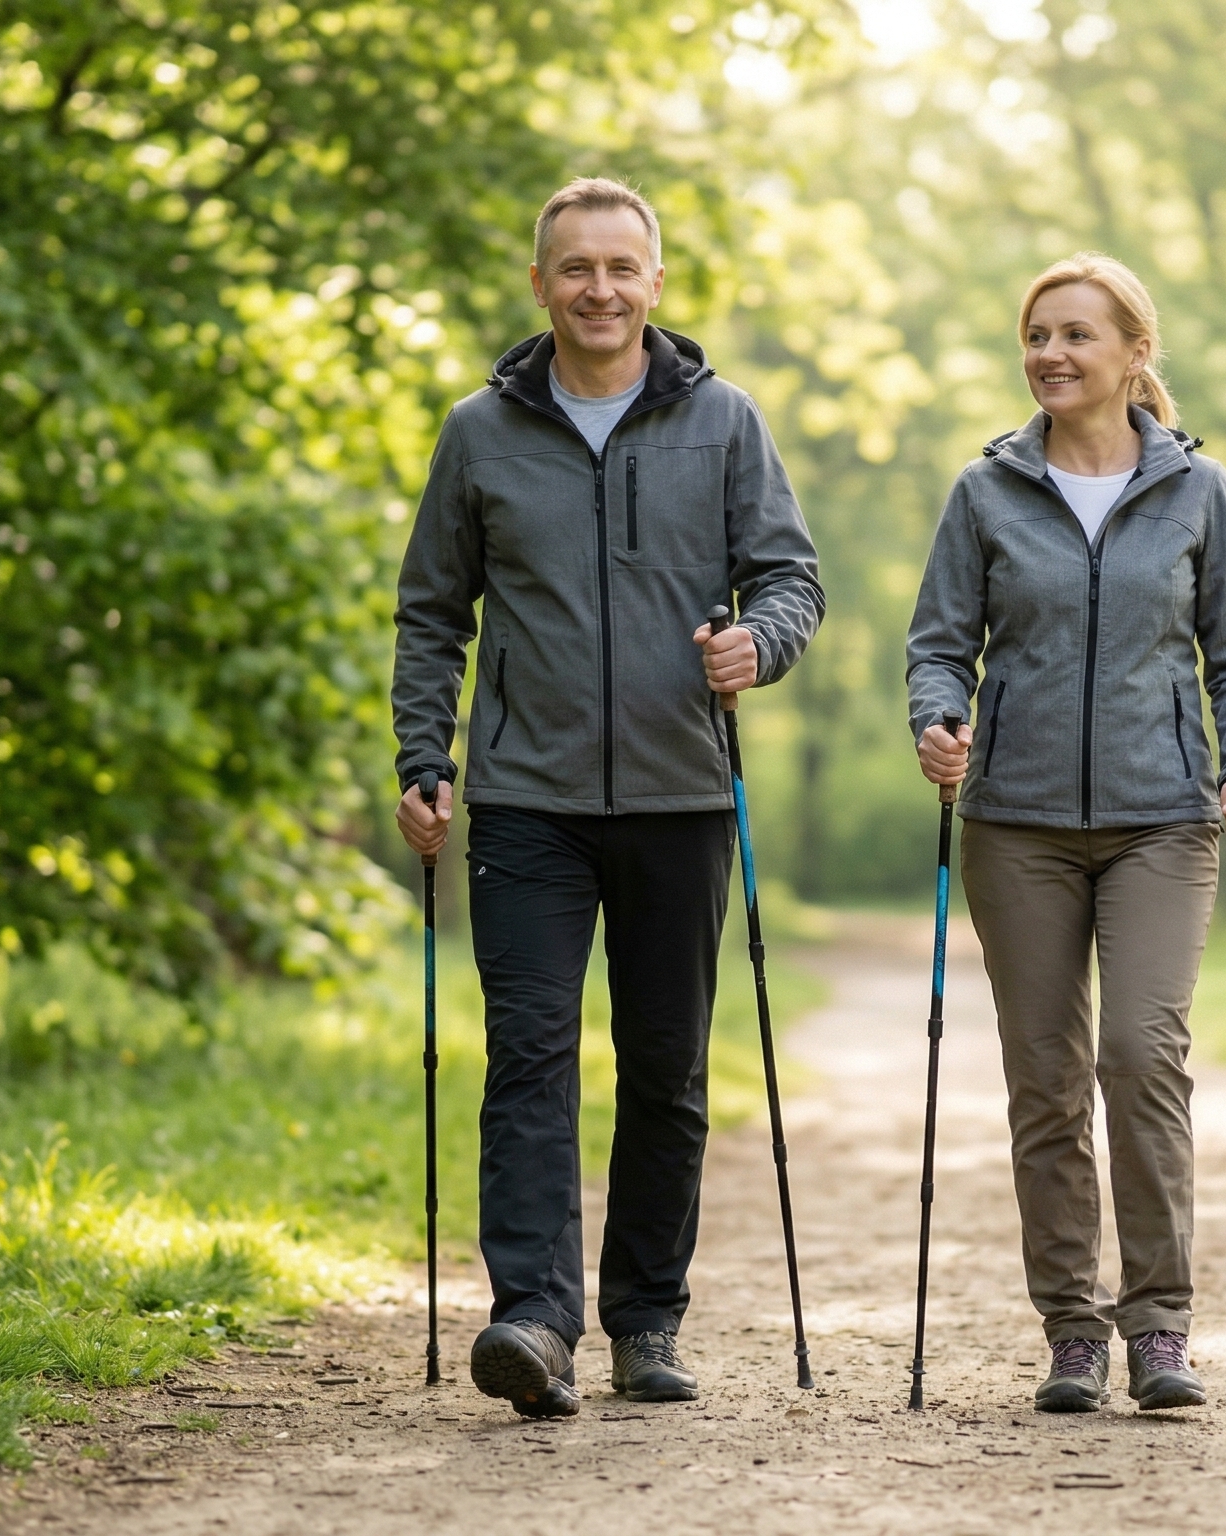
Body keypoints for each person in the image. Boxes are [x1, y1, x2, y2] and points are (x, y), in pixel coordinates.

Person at [391, 178, 826, 1418]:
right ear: (540, 285)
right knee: (527, 1057)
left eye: (620, 268)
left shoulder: (725, 422)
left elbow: (790, 579)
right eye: (574, 268)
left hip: (683, 794)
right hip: (524, 799)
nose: (598, 289)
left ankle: (644, 1321)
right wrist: (426, 757)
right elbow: (432, 611)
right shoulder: (479, 431)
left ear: (655, 283)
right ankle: (532, 1317)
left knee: (667, 1071)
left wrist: (762, 643)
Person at [903, 252, 1226, 1413]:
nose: (1051, 354)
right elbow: (936, 642)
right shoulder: (986, 490)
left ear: (1133, 353)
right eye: (1037, 336)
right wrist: (939, 717)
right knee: (1047, 1081)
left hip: (1163, 819)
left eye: (1076, 335)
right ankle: (1072, 1329)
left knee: (1141, 1059)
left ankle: (1158, 1326)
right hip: (1014, 824)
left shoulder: (1196, 492)